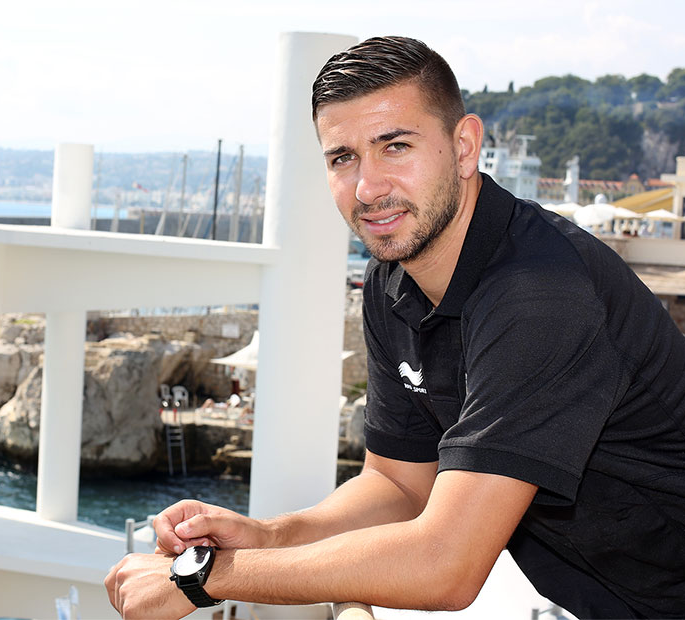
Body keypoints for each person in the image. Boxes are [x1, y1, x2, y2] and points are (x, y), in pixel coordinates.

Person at [105, 36, 685, 619]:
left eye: (396, 147)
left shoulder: (539, 296)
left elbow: (445, 566)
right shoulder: (393, 281)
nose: (368, 187)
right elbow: (400, 486)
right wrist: (268, 537)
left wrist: (204, 579)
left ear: (464, 147)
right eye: (343, 158)